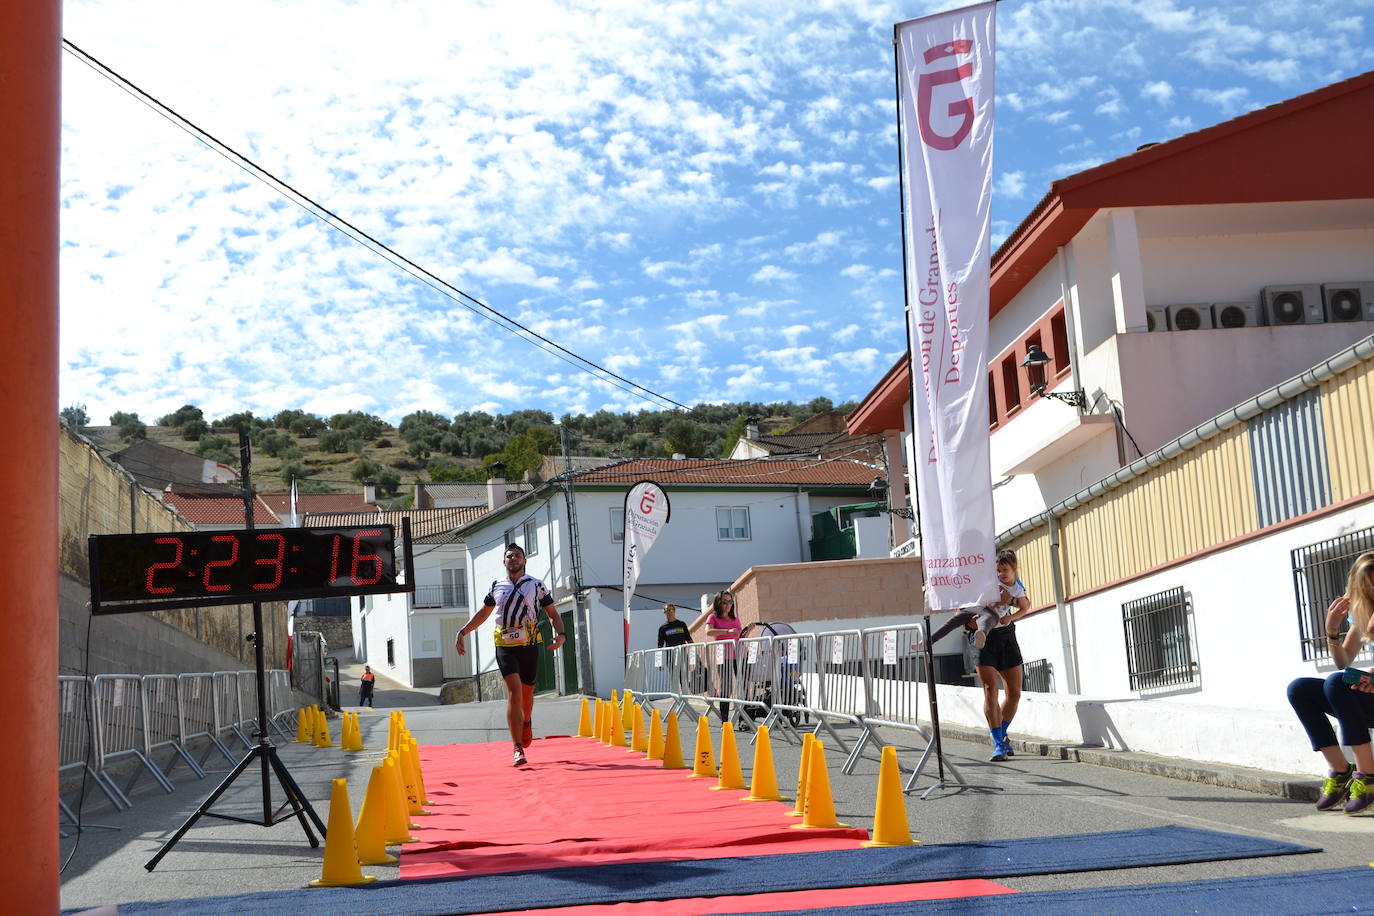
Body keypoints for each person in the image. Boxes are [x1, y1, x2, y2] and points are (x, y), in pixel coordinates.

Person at [455, 543, 566, 766]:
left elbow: (552, 613)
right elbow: (484, 613)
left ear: (524, 561)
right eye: (509, 556)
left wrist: (561, 634)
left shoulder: (536, 585)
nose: (513, 559)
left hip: (530, 644)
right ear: (504, 562)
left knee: (526, 696)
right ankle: (517, 748)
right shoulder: (497, 586)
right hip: (504, 644)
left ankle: (526, 721)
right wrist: (463, 631)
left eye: (518, 556)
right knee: (514, 692)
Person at [1286, 551, 1374, 814]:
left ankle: (1368, 776)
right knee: (1300, 688)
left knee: (1336, 683)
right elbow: (1343, 660)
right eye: (1371, 585)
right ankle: (1340, 770)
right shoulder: (1362, 613)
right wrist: (1332, 630)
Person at [973, 549, 1041, 761]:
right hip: (982, 638)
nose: (1000, 573)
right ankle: (998, 744)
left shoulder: (1016, 586)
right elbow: (962, 610)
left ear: (1014, 569)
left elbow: (1025, 605)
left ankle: (1001, 734)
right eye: (997, 570)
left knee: (1014, 693)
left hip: (1006, 636)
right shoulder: (981, 581)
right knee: (990, 690)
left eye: (1004, 570)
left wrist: (1010, 618)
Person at [705, 590, 742, 722]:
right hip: (723, 657)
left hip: (738, 655)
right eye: (724, 601)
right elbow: (708, 631)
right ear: (718, 603)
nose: (728, 605)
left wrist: (747, 631)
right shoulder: (713, 617)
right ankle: (725, 720)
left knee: (743, 685)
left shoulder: (735, 619)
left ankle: (744, 717)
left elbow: (740, 636)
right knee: (727, 687)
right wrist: (727, 631)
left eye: (730, 602)